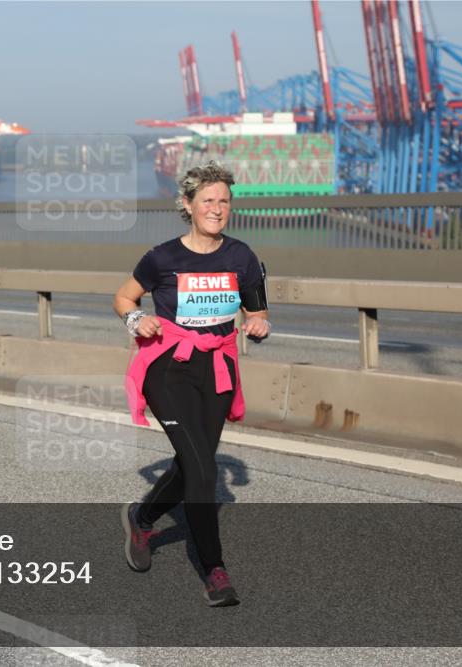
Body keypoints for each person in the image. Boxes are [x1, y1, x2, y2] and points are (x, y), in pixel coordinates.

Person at [114, 163, 270, 607]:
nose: (216, 209)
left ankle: (142, 518)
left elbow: (256, 312)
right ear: (188, 205)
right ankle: (214, 571)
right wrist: (136, 318)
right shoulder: (161, 258)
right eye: (207, 201)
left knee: (192, 464)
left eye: (223, 201)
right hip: (169, 366)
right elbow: (123, 297)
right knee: (204, 470)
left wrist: (259, 325)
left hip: (217, 369)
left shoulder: (242, 257)